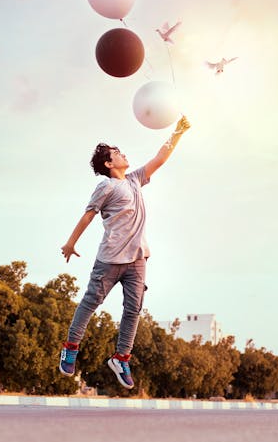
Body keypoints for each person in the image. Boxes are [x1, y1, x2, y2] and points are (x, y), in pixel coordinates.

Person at [59, 115, 191, 390]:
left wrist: (177, 133)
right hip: (110, 259)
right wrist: (71, 243)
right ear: (109, 164)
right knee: (91, 302)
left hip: (138, 258)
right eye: (117, 153)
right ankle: (71, 347)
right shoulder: (106, 185)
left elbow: (160, 158)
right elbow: (88, 215)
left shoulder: (134, 180)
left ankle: (121, 358)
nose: (123, 154)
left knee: (134, 309)